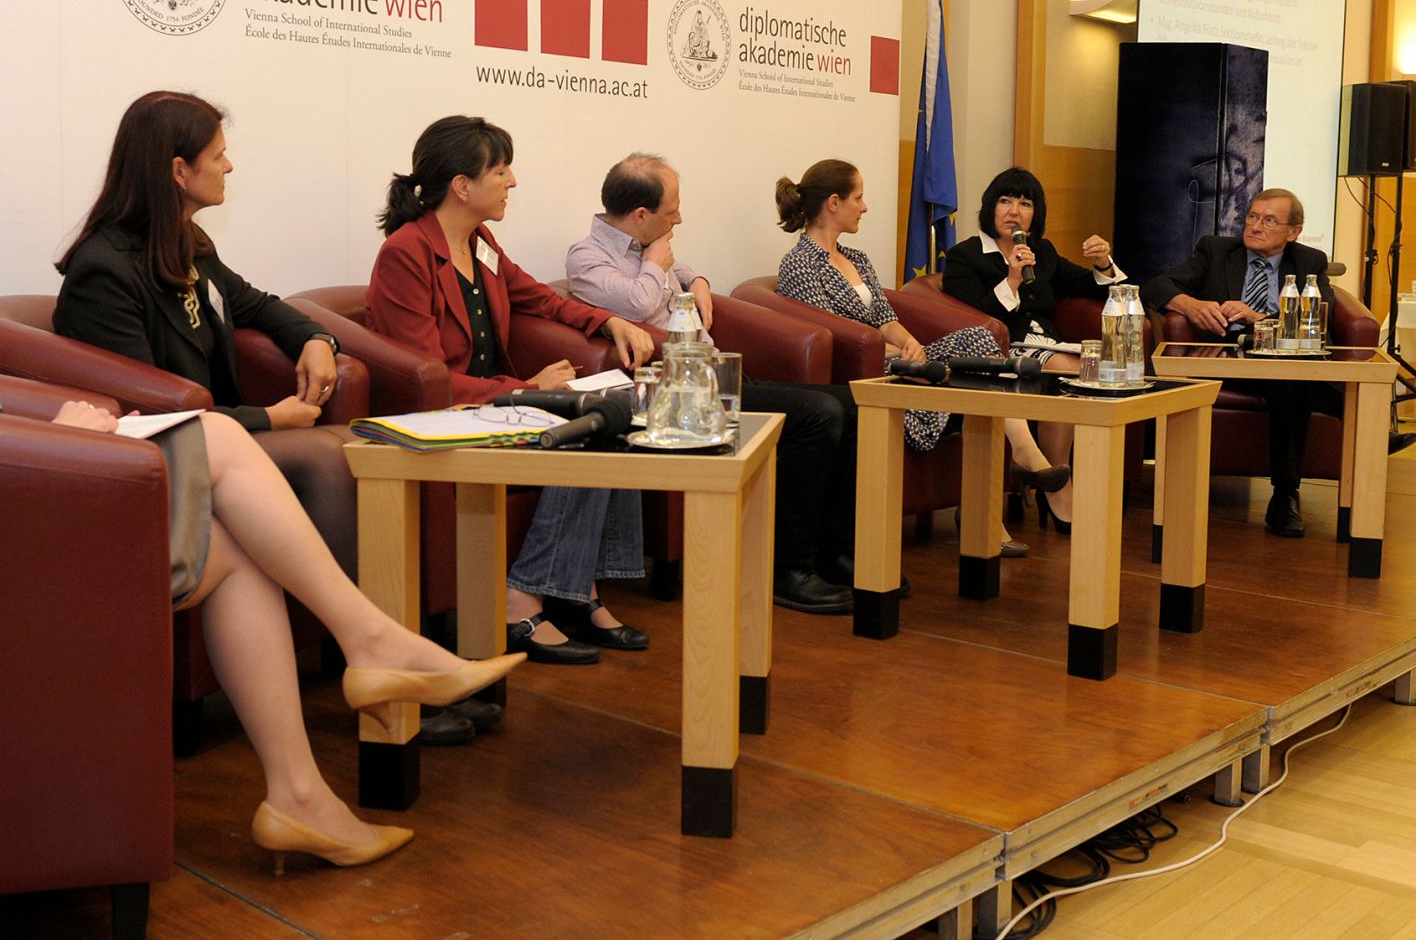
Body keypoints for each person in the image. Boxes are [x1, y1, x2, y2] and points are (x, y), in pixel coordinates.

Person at [0, 37, 521, 875]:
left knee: (235, 547)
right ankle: (368, 653)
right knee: (213, 438)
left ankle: (302, 791)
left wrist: (50, 434)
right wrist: (57, 439)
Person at [53, 90, 494, 747]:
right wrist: (269, 419)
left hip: (222, 436)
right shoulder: (104, 272)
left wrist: (318, 341)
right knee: (328, 453)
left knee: (350, 447)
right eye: (218, 156)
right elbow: (152, 411)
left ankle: (388, 654)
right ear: (179, 170)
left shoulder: (188, 245)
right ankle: (377, 660)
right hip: (161, 455)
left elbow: (264, 306)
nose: (229, 168)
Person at [367, 115, 657, 663]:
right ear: (462, 186)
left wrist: (606, 322)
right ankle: (521, 598)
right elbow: (425, 378)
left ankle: (578, 589)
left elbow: (540, 298)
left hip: (494, 407)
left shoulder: (478, 241)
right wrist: (526, 388)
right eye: (501, 171)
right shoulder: (406, 254)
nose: (512, 182)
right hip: (445, 416)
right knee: (588, 429)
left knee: (618, 411)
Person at [566, 153, 857, 612]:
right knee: (819, 415)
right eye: (672, 210)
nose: (679, 218)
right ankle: (788, 570)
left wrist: (695, 277)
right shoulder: (588, 258)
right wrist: (659, 265)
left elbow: (682, 274)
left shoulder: (647, 245)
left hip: (718, 372)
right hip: (684, 393)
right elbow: (638, 304)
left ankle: (834, 552)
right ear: (641, 216)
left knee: (854, 403)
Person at [774, 158, 1067, 550]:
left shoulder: (857, 259)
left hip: (895, 355)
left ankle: (1019, 463)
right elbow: (837, 332)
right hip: (864, 367)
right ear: (833, 203)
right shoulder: (800, 264)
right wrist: (895, 350)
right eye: (858, 198)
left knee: (979, 340)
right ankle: (1020, 471)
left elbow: (884, 315)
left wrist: (909, 341)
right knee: (976, 388)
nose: (864, 207)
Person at [1141, 188, 1340, 537]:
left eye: (1268, 220)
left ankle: (1283, 496)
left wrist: (1259, 317)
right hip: (1224, 363)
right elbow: (1157, 286)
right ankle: (1350, 412)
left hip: (1280, 364)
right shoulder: (1217, 252)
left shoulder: (1309, 261)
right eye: (1252, 217)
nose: (1255, 226)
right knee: (1301, 385)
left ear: (1293, 232)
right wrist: (1190, 305)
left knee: (1291, 382)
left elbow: (1318, 322)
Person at [942, 166, 1125, 526]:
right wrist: (1011, 278)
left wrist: (1103, 262)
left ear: (1034, 215)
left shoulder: (1042, 250)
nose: (1013, 211)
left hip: (1050, 345)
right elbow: (972, 318)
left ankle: (1055, 477)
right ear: (990, 208)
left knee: (1092, 366)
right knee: (1069, 369)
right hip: (1001, 349)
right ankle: (1057, 484)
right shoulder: (965, 256)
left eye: (1024, 204)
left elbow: (1091, 286)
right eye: (1005, 201)